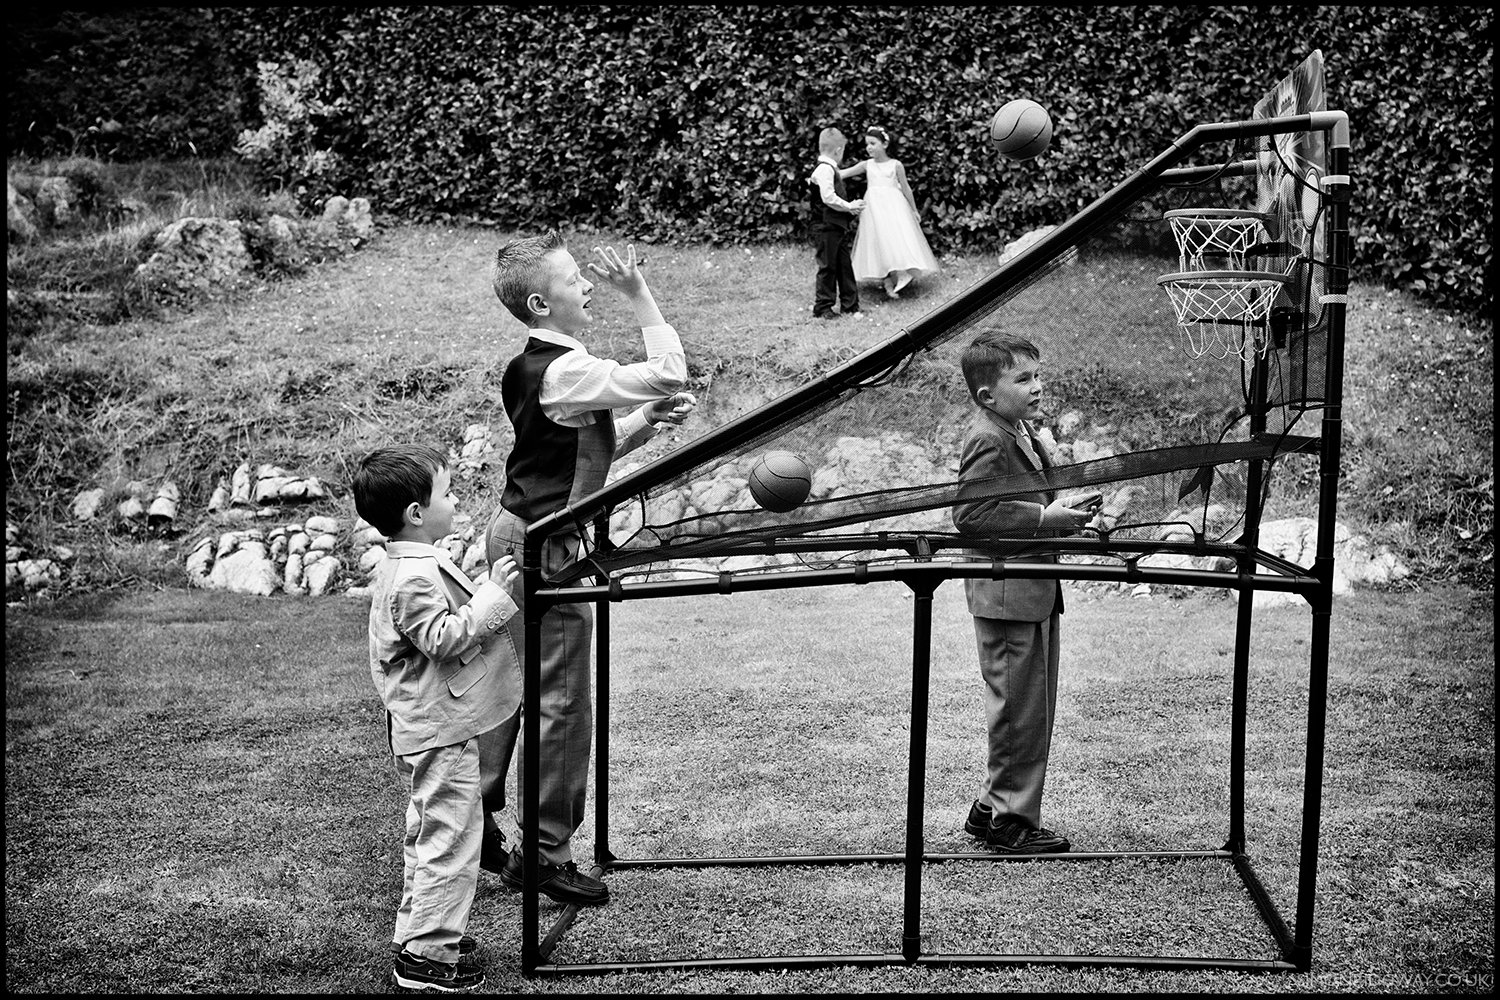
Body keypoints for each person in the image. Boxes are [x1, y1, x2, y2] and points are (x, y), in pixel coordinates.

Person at [484, 231, 697, 906]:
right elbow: (669, 369)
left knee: (519, 694)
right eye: (577, 279)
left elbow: (573, 446)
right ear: (543, 303)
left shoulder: (544, 366)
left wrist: (645, 422)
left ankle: (480, 827)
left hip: (520, 536)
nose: (589, 286)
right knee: (561, 705)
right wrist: (641, 294)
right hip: (543, 549)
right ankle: (543, 855)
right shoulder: (564, 368)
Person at [353, 444, 522, 993]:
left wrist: (483, 583)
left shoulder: (413, 561)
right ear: (416, 514)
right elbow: (443, 639)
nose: (455, 501)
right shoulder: (410, 576)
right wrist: (494, 595)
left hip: (430, 726)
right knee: (451, 837)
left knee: (430, 831)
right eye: (446, 493)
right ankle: (427, 958)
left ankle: (419, 935)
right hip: (438, 730)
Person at [951, 330, 1101, 855]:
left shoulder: (1017, 431)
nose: (1037, 387)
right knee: (1018, 709)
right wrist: (1043, 517)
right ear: (987, 395)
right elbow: (971, 515)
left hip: (1030, 592)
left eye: (1038, 375)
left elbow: (1024, 501)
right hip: (1007, 596)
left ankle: (992, 806)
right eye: (1023, 378)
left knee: (1028, 708)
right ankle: (1009, 822)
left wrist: (1062, 510)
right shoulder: (988, 437)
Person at [840, 126, 940, 299]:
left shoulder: (896, 165)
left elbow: (906, 188)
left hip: (894, 208)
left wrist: (914, 210)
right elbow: (843, 173)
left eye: (873, 143)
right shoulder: (867, 165)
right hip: (874, 210)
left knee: (897, 238)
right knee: (879, 241)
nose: (869, 147)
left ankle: (902, 271)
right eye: (867, 145)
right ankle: (888, 280)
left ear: (885, 144)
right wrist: (825, 172)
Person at [807, 126, 865, 320]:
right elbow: (828, 198)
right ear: (838, 150)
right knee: (828, 266)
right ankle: (823, 307)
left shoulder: (830, 168)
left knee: (843, 265)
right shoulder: (824, 169)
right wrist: (849, 206)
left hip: (836, 226)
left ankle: (850, 305)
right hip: (825, 227)